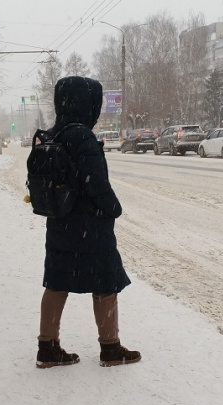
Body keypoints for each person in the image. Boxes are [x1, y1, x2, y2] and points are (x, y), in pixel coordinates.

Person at [35, 76, 141, 368]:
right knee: (106, 283)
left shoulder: (53, 134)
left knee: (56, 283)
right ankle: (110, 348)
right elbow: (96, 184)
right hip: (90, 227)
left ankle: (47, 347)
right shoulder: (82, 136)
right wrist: (114, 209)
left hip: (60, 222)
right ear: (88, 104)